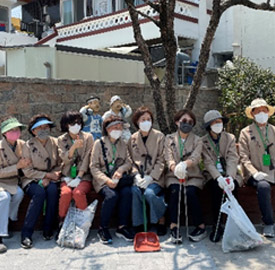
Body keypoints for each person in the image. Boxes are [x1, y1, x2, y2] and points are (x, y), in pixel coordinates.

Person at [164, 109, 207, 243]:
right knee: (175, 190)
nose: (186, 124)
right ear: (177, 122)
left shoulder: (197, 140)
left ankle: (200, 226)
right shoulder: (169, 138)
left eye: (190, 122)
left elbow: (195, 157)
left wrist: (184, 165)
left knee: (190, 192)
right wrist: (174, 167)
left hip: (192, 175)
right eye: (184, 121)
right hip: (174, 175)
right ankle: (174, 227)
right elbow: (168, 157)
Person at [90, 116, 134, 244]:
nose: (118, 130)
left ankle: (122, 226)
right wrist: (105, 180)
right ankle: (103, 227)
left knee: (127, 193)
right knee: (111, 195)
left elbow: (128, 162)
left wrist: (120, 170)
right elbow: (93, 166)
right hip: (103, 179)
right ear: (108, 129)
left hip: (118, 178)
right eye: (115, 127)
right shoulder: (99, 143)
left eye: (120, 127)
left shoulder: (123, 143)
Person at [21, 114, 61, 249]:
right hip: (32, 179)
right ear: (33, 131)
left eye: (46, 127)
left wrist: (52, 175)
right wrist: (45, 176)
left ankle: (48, 228)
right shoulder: (28, 145)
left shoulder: (55, 142)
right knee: (39, 194)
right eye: (40, 128)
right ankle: (26, 234)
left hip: (51, 178)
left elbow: (61, 163)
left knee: (53, 191)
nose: (44, 130)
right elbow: (27, 171)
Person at [201, 110, 241, 242]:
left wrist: (229, 177)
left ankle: (235, 226)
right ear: (208, 126)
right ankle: (217, 226)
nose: (218, 125)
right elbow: (207, 162)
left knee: (234, 188)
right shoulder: (203, 141)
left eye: (219, 122)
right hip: (213, 176)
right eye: (214, 123)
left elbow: (232, 158)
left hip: (229, 173)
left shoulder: (230, 138)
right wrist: (218, 178)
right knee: (215, 190)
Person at [239, 98, 275, 237]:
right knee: (264, 186)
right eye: (258, 111)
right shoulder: (245, 132)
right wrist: (254, 173)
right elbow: (243, 157)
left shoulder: (273, 130)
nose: (261, 113)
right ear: (253, 114)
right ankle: (269, 223)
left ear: (268, 112)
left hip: (272, 172)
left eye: (264, 110)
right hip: (254, 174)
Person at [128, 106, 167, 235]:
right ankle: (138, 223)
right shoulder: (132, 138)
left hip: (155, 177)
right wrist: (136, 176)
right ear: (137, 122)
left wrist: (151, 177)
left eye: (148, 119)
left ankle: (158, 221)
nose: (146, 122)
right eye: (143, 119)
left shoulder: (159, 136)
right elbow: (130, 161)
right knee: (135, 191)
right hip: (140, 176)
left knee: (149, 194)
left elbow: (162, 159)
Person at [57, 111, 94, 231]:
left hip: (83, 176)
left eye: (78, 122)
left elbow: (87, 158)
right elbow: (63, 158)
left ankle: (84, 222)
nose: (76, 125)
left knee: (78, 193)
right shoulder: (61, 139)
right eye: (72, 123)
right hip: (67, 175)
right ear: (66, 125)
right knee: (66, 193)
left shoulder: (88, 137)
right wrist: (73, 147)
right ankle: (61, 221)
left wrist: (79, 177)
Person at [0, 117, 31, 253]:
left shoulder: (23, 145)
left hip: (14, 181)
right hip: (1, 180)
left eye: (17, 130)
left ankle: (9, 220)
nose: (15, 132)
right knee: (4, 197)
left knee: (19, 194)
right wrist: (17, 166)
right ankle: (0, 236)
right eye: (11, 130)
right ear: (4, 133)